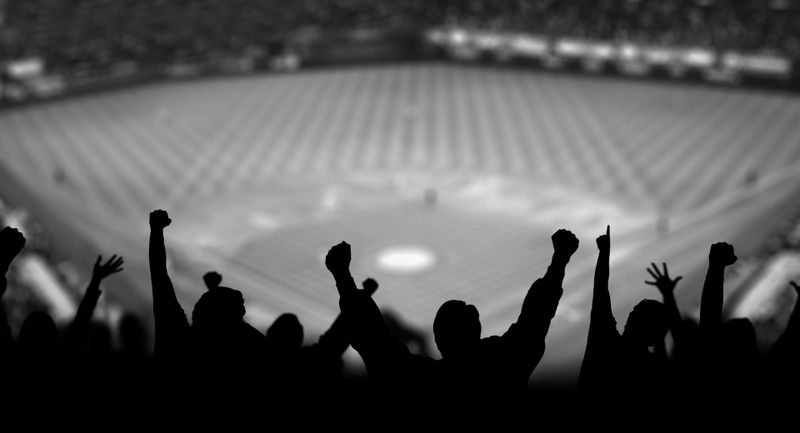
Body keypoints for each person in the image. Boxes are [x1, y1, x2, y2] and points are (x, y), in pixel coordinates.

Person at [324, 228, 578, 417]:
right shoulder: (506, 364)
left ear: (438, 340)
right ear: (477, 331)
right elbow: (535, 319)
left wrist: (343, 277)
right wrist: (560, 260)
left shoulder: (425, 383)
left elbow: (376, 345)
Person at [578, 226, 671, 414]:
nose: (629, 316)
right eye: (634, 312)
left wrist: (604, 254)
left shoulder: (604, 342)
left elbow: (600, 294)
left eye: (636, 314)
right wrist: (668, 295)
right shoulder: (660, 371)